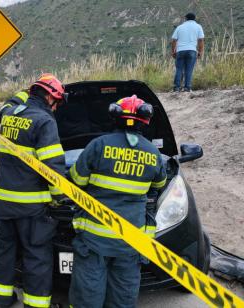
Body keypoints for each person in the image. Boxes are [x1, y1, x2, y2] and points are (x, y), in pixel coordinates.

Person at [67, 95, 167, 308]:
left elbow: (76, 180)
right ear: (145, 120)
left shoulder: (99, 145)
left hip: (94, 239)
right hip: (130, 241)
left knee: (88, 296)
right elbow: (158, 187)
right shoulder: (153, 153)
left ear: (116, 117)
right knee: (123, 296)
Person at [0, 74, 66, 308]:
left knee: (5, 253)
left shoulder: (9, 115)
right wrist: (59, 198)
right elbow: (52, 167)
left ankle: (1, 300)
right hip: (32, 207)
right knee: (36, 257)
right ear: (50, 97)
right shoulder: (44, 121)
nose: (57, 107)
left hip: (4, 203)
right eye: (57, 101)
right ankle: (35, 305)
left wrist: (28, 91)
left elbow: (7, 104)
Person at [171, 13, 205, 92]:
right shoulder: (198, 26)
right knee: (189, 69)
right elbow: (201, 40)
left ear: (185, 18)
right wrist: (200, 51)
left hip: (180, 50)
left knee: (179, 69)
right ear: (194, 18)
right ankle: (187, 88)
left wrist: (173, 51)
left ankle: (176, 88)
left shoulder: (180, 27)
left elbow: (173, 40)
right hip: (192, 50)